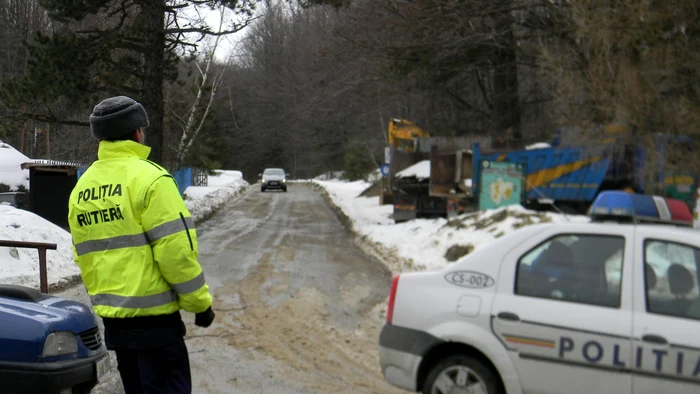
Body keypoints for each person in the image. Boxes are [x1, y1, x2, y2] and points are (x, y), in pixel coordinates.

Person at [67, 96, 215, 394]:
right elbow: (176, 253)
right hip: (156, 326)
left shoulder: (82, 188)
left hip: (116, 324)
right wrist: (199, 304)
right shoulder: (151, 179)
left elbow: (82, 255)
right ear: (137, 133)